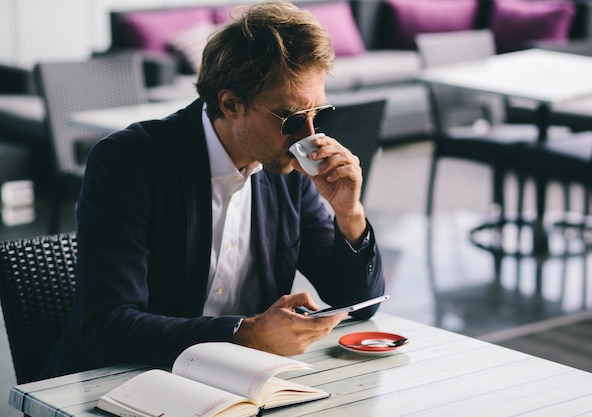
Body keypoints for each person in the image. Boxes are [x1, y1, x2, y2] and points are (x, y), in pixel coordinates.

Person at [41, 0, 385, 379]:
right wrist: (244, 334)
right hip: (126, 381)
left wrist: (349, 214)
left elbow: (359, 305)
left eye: (317, 114)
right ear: (231, 103)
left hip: (240, 381)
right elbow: (107, 327)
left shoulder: (286, 168)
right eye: (291, 119)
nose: (310, 137)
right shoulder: (128, 162)